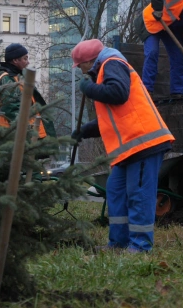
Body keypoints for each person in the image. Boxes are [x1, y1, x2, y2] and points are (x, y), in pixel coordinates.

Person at [70, 39, 175, 253]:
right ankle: (118, 243)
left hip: (143, 143)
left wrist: (89, 89)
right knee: (116, 192)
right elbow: (111, 118)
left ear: (89, 61)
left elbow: (118, 94)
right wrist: (83, 131)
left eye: (80, 66)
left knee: (139, 195)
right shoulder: (104, 70)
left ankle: (140, 246)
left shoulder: (112, 63)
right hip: (128, 149)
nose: (80, 71)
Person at [0, 43, 56, 139]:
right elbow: (11, 109)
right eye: (25, 58)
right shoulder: (8, 79)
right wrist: (28, 130)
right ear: (15, 60)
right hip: (24, 136)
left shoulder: (17, 77)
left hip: (34, 133)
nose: (28, 62)